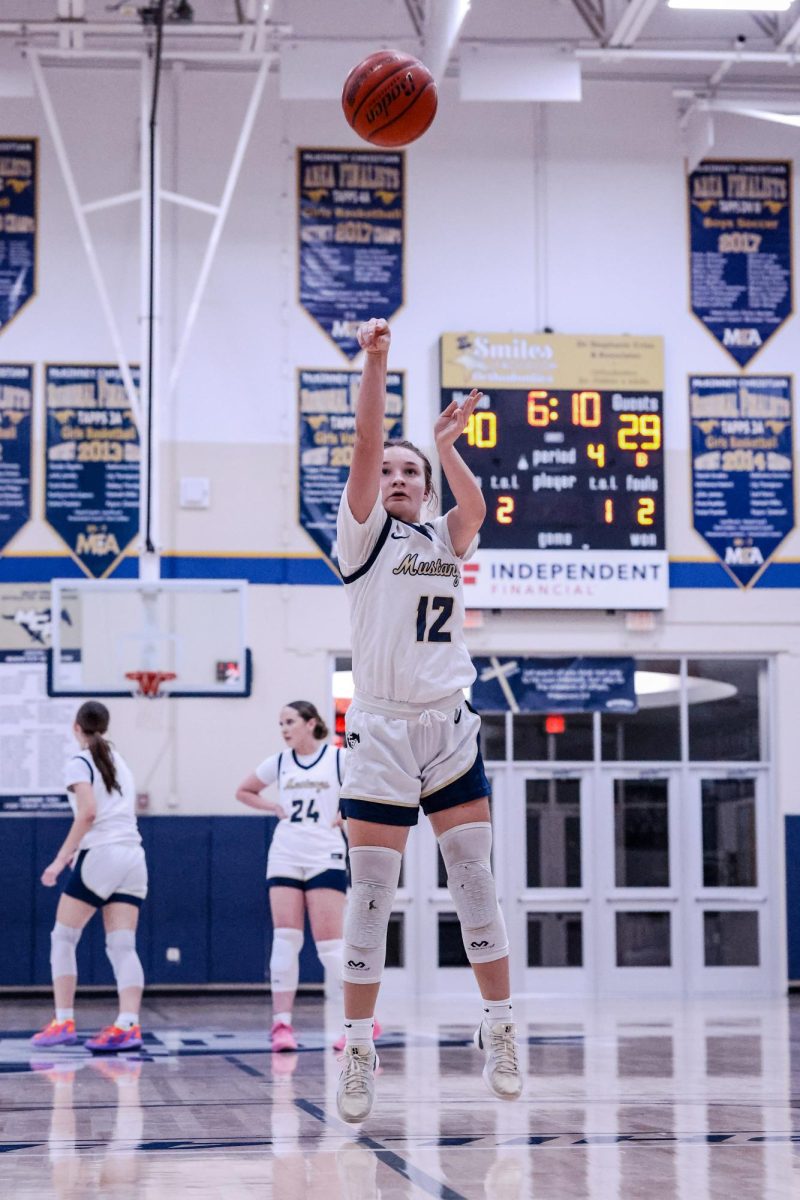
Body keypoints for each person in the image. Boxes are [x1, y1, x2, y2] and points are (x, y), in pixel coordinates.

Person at [333, 316, 523, 1123]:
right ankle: (358, 1048)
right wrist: (377, 362)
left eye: (411, 470)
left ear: (426, 485)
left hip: (447, 724)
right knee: (372, 894)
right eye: (390, 469)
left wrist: (447, 446)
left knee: (474, 878)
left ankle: (500, 1025)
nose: (398, 476)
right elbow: (366, 439)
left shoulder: (445, 535)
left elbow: (476, 506)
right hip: (380, 729)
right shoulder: (363, 535)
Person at [235, 701, 378, 1052]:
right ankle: (281, 1025)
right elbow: (243, 791)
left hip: (324, 854)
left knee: (330, 947)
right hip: (285, 852)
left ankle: (365, 1022)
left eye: (290, 722)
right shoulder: (280, 762)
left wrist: (347, 813)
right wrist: (273, 806)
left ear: (311, 723)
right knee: (285, 939)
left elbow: (372, 786)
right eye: (280, 723)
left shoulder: (338, 758)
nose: (284, 729)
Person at [32, 700, 147, 1053]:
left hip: (103, 854)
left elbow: (88, 813)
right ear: (105, 726)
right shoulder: (119, 761)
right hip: (133, 856)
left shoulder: (80, 761)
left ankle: (63, 1020)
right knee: (122, 945)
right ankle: (128, 1024)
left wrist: (59, 859)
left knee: (63, 937)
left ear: (76, 727)